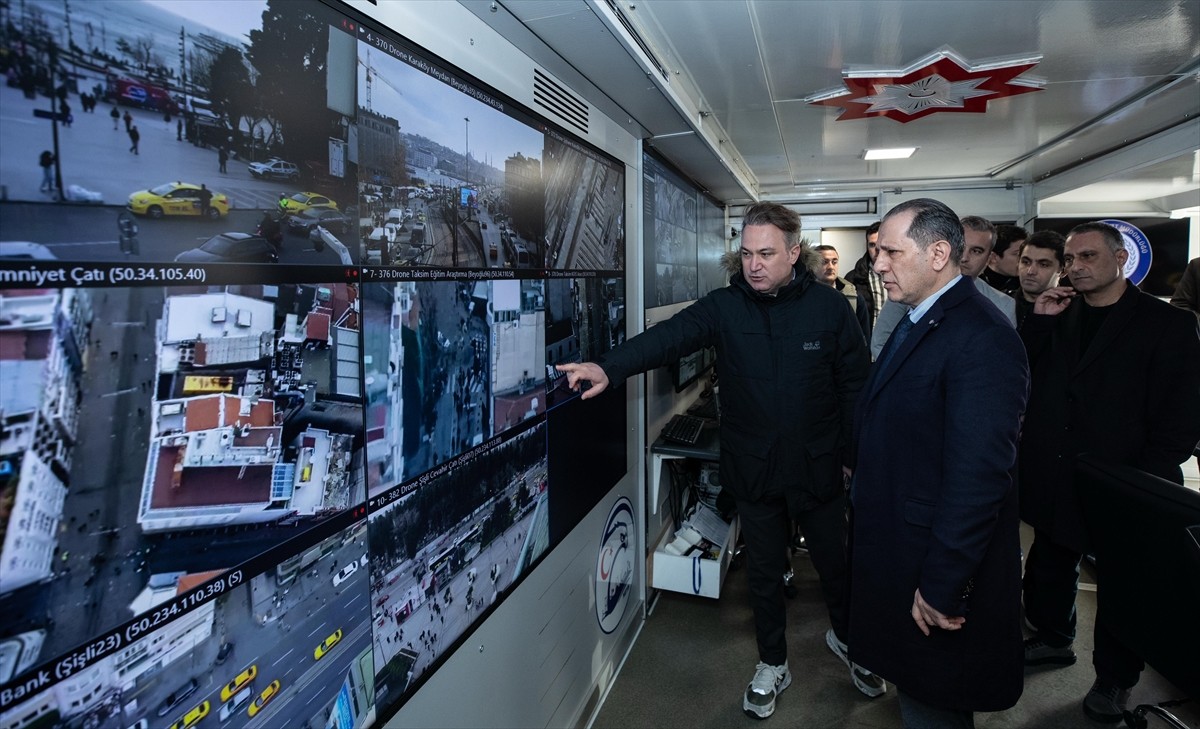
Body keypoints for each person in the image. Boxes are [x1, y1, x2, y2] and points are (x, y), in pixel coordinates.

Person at [557, 202, 878, 719]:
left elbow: (854, 388)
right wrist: (608, 367)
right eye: (747, 253)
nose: (754, 264)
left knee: (836, 566)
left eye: (767, 253)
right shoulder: (725, 307)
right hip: (753, 468)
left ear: (794, 253)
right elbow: (666, 339)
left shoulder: (830, 309)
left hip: (819, 466)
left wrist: (852, 457)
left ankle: (848, 640)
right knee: (765, 575)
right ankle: (773, 662)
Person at [849, 197, 1029, 728]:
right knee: (918, 688)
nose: (878, 264)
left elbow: (979, 478)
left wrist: (945, 584)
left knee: (936, 700)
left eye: (891, 252)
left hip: (934, 567)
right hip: (905, 547)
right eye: (878, 252)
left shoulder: (983, 339)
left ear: (938, 254)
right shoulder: (919, 317)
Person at [1018, 222, 1200, 724]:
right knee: (1050, 565)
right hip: (1058, 470)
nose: (1076, 266)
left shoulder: (1168, 324)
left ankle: (1114, 679)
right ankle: (1054, 639)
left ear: (1121, 259)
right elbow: (1021, 377)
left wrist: (1146, 476)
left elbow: (1182, 412)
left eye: (1089, 257)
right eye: (1071, 258)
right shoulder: (1057, 312)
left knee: (1123, 584)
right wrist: (1038, 322)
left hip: (1127, 478)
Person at [870, 215, 1016, 358]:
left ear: (989, 259)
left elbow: (999, 358)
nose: (964, 257)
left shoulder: (1003, 304)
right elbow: (880, 342)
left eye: (976, 251)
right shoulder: (911, 288)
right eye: (961, 246)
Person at [812, 244, 871, 339]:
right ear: (812, 265)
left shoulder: (853, 297)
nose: (830, 267)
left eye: (834, 262)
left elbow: (864, 337)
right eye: (824, 262)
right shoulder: (801, 295)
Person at [1010, 230, 1064, 327]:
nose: (1030, 271)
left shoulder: (1073, 310)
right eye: (1026, 262)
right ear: (1018, 262)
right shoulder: (1000, 303)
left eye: (1043, 265)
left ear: (1062, 270)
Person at [844, 222, 885, 329]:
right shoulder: (853, 277)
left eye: (879, 244)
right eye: (872, 245)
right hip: (868, 337)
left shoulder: (901, 272)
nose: (876, 250)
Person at [981, 224, 1026, 293]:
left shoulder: (1027, 286)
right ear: (993, 257)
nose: (1024, 260)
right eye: (1017, 254)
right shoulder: (974, 283)